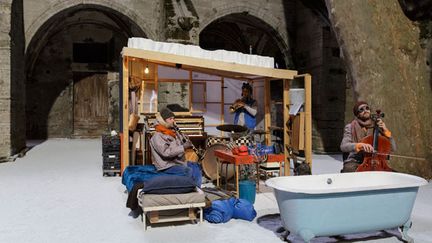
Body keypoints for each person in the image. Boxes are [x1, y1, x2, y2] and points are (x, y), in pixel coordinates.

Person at [340, 101, 396, 173]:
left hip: (376, 161)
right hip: (356, 161)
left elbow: (393, 148)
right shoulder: (350, 127)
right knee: (348, 169)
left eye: (367, 108)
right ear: (357, 114)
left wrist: (386, 131)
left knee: (395, 175)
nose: (365, 110)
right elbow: (343, 146)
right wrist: (359, 145)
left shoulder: (378, 126)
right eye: (361, 109)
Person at [149, 107, 194, 177]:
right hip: (166, 166)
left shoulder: (172, 131)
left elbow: (176, 145)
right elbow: (166, 153)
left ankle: (196, 184)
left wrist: (183, 140)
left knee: (196, 166)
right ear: (163, 121)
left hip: (176, 163)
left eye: (173, 118)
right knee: (188, 171)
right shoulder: (157, 136)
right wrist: (183, 147)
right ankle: (192, 185)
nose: (173, 121)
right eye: (170, 119)